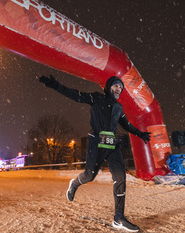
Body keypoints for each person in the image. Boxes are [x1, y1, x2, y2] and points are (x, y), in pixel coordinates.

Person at [39, 75, 151, 232]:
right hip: (95, 142)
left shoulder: (119, 107)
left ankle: (119, 218)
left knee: (120, 178)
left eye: (121, 87)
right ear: (108, 87)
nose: (118, 89)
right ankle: (75, 184)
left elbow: (126, 125)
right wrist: (56, 85)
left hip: (111, 143)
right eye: (116, 86)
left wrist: (141, 134)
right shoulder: (96, 98)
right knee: (89, 175)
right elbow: (76, 95)